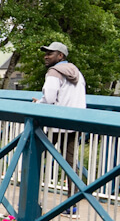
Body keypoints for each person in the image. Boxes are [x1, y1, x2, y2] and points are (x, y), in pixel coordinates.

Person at [32, 41, 86, 210]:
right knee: (69, 162)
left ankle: (28, 204)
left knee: (32, 156)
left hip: (55, 124)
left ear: (60, 56)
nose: (46, 56)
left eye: (50, 53)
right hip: (74, 123)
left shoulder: (54, 73)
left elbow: (49, 98)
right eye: (46, 53)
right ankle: (73, 204)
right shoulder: (77, 73)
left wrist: (38, 104)